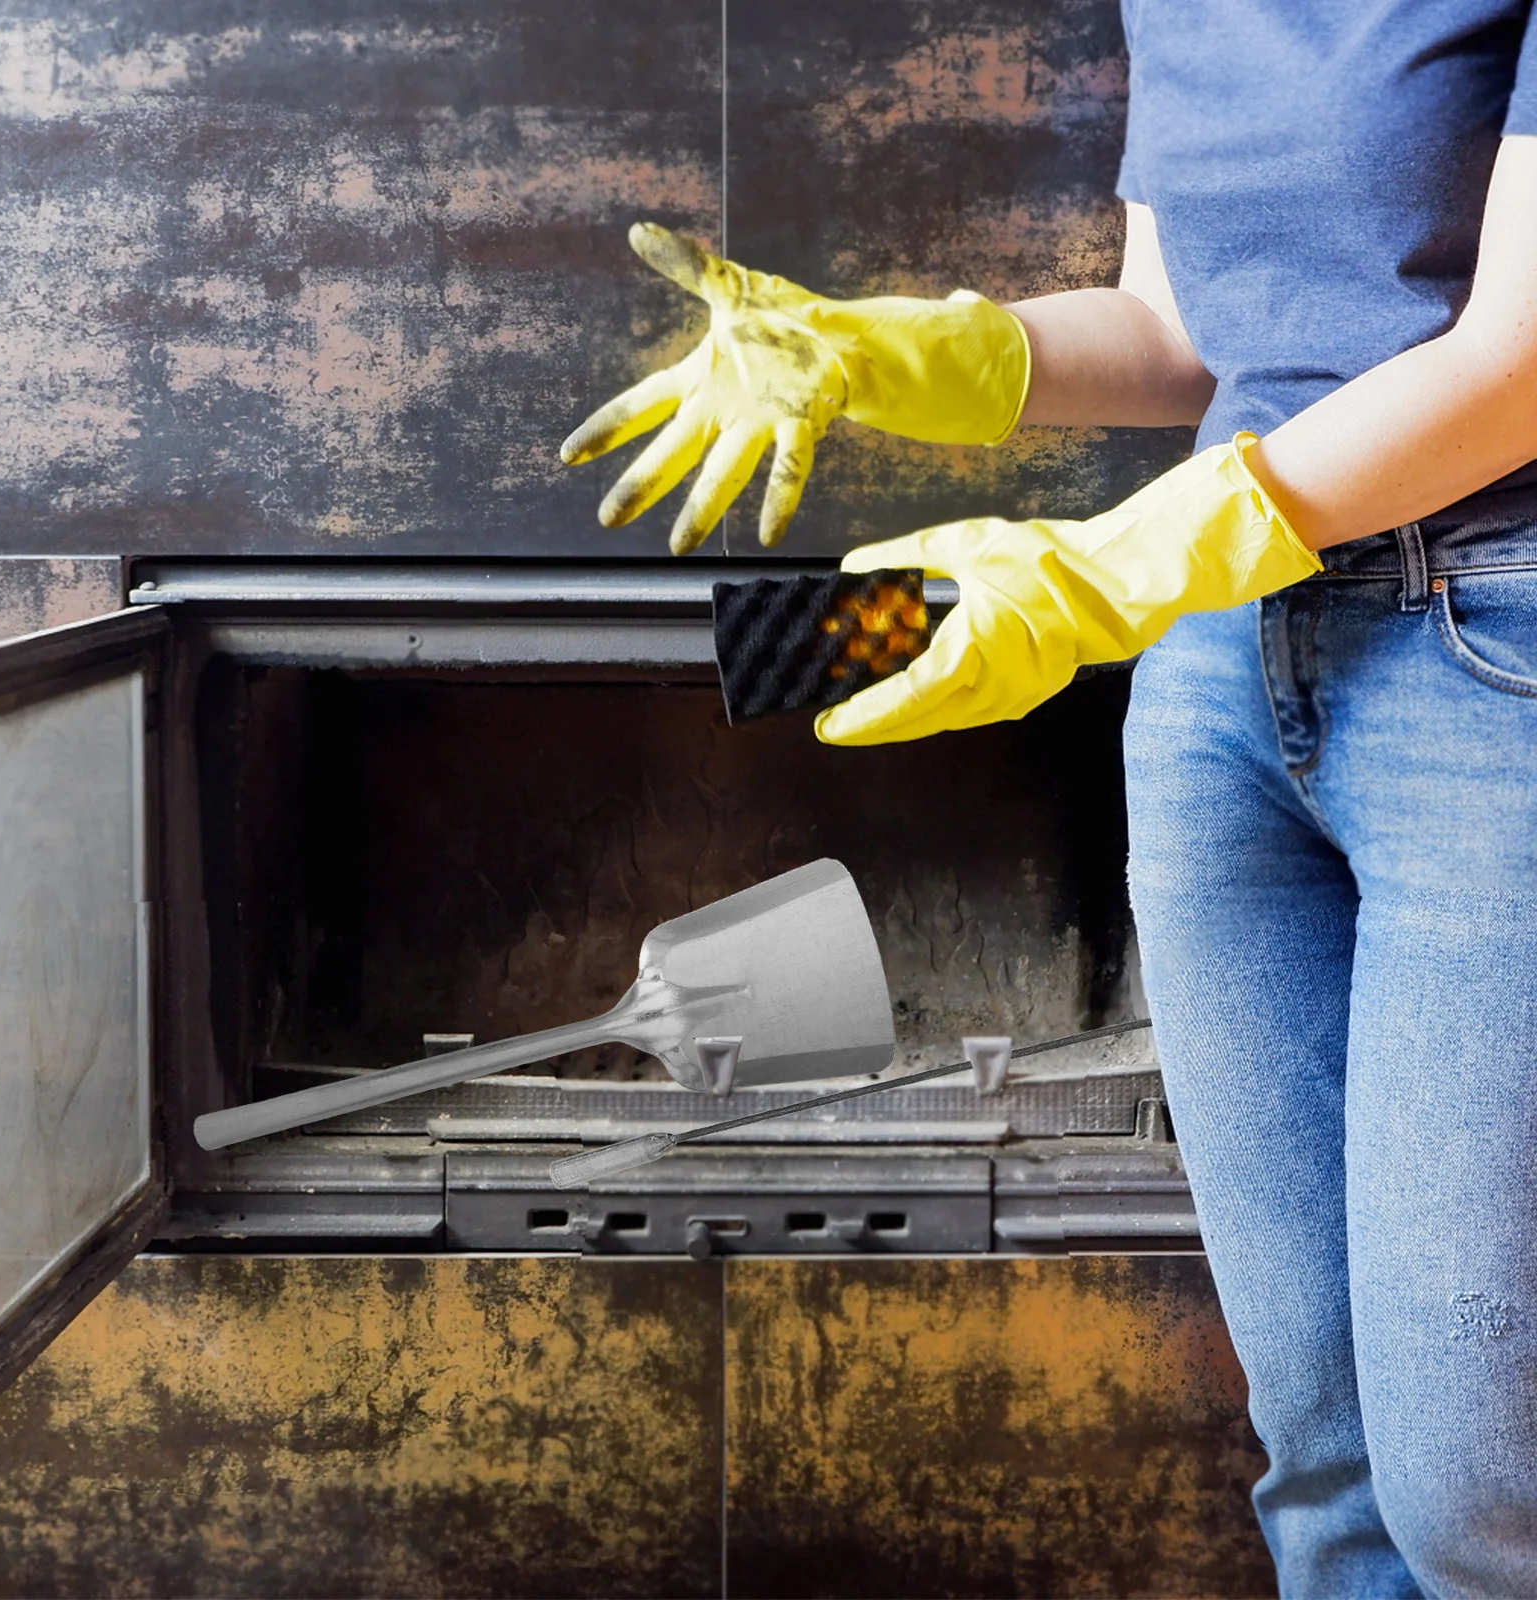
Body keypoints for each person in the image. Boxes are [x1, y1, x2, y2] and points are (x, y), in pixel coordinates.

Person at [561, 6, 1537, 1594]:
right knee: (1329, 1463)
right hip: (1224, 679)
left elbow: (1523, 361)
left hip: (1489, 660)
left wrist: (1109, 568)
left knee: (1479, 1497)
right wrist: (900, 350)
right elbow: (1181, 336)